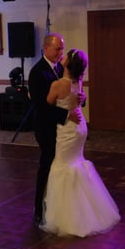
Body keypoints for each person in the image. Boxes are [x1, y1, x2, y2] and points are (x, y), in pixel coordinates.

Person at [41, 48, 120, 237]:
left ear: (67, 63)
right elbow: (78, 100)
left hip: (68, 129)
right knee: (76, 164)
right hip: (80, 128)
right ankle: (87, 211)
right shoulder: (78, 81)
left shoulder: (58, 84)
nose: (63, 56)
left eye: (66, 55)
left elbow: (47, 104)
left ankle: (67, 217)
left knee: (62, 166)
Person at [28, 33, 84, 225]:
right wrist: (66, 116)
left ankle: (57, 205)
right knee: (46, 165)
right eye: (57, 48)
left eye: (62, 48)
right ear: (45, 48)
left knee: (61, 166)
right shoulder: (37, 72)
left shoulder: (61, 67)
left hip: (63, 130)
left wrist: (80, 101)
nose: (61, 53)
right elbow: (40, 106)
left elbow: (67, 95)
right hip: (46, 127)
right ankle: (38, 208)